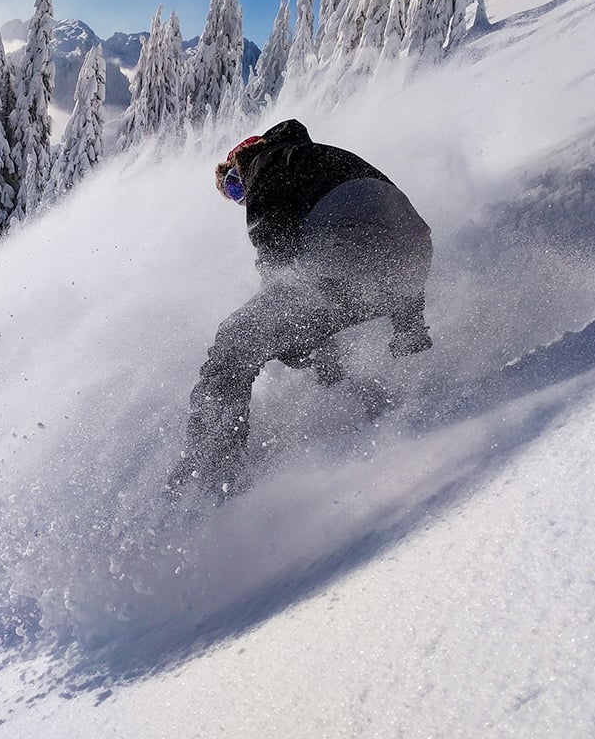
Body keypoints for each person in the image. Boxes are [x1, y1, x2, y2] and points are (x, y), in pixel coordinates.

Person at [167, 118, 433, 501]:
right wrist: (409, 323)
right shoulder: (320, 160)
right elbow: (394, 228)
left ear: (243, 157)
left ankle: (206, 477)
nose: (242, 198)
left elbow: (277, 261)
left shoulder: (268, 164)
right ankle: (363, 404)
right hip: (408, 263)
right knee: (309, 325)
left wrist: (278, 331)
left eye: (234, 186)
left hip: (354, 254)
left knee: (236, 340)